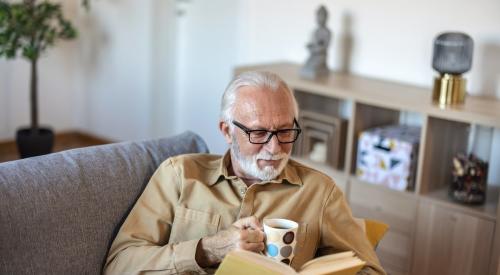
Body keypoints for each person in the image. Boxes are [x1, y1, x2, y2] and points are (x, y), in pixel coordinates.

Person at [104, 71, 386, 274]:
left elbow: (370, 269)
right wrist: (207, 250)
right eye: (259, 132)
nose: (275, 147)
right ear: (227, 131)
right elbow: (119, 265)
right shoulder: (179, 175)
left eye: (286, 131)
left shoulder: (319, 192)